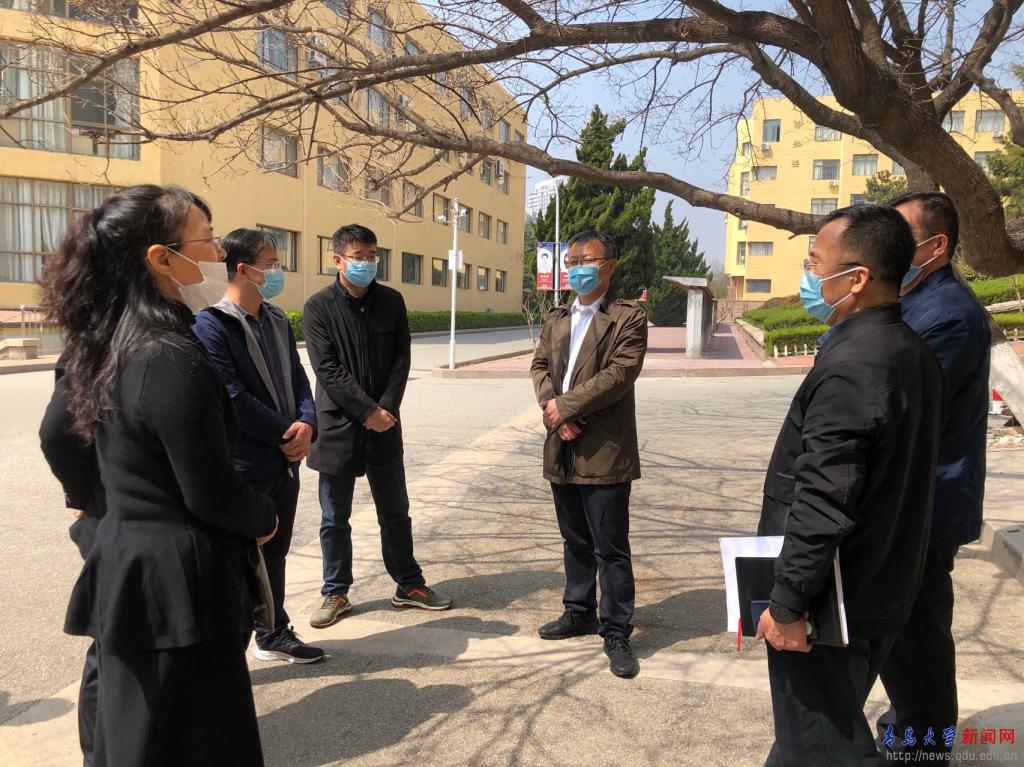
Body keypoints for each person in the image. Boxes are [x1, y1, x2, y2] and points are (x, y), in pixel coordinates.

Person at [42, 184, 278, 766]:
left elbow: (58, 434)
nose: (218, 254)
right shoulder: (169, 355)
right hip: (180, 586)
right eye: (207, 240)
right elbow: (210, 490)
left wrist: (100, 507)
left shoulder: (104, 340)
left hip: (131, 568)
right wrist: (263, 515)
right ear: (161, 258)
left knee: (131, 731)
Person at [756, 205, 944, 766]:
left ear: (857, 278)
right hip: (880, 587)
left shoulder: (854, 368)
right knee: (806, 741)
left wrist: (787, 603)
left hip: (830, 603)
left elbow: (823, 498)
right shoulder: (910, 351)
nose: (808, 275)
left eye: (815, 263)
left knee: (825, 749)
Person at [874, 193, 991, 756]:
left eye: (901, 238)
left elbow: (906, 406)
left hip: (927, 501)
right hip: (911, 496)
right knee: (904, 635)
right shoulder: (915, 301)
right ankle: (908, 727)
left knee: (917, 638)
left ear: (935, 245)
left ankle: (922, 747)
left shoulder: (948, 314)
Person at [304, 223, 452, 627]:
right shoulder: (318, 307)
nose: (368, 263)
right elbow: (327, 368)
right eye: (359, 256)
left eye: (372, 255)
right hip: (338, 427)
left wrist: (385, 409)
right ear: (338, 260)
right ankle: (336, 591)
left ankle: (409, 584)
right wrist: (366, 410)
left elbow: (401, 360)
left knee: (396, 511)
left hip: (385, 425)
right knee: (334, 517)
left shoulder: (391, 301)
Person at [193, 228, 323, 664]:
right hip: (245, 462)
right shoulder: (211, 324)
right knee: (237, 556)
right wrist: (287, 434)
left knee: (276, 551)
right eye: (271, 263)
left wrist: (307, 423)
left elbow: (300, 379)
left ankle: (272, 632)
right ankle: (224, 649)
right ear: (243, 269)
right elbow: (231, 396)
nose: (277, 271)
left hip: (284, 461)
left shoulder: (277, 319)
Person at [529, 229, 648, 679]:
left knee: (610, 547)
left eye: (588, 260)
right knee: (574, 539)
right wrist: (553, 410)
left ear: (609, 266)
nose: (578, 268)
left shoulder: (627, 318)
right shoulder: (557, 317)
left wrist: (566, 407)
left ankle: (616, 629)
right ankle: (578, 610)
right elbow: (540, 365)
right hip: (562, 443)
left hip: (604, 448)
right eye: (572, 261)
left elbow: (619, 374)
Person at [39, 351, 107, 765]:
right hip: (114, 512)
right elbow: (56, 431)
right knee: (112, 643)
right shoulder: (102, 338)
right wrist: (82, 494)